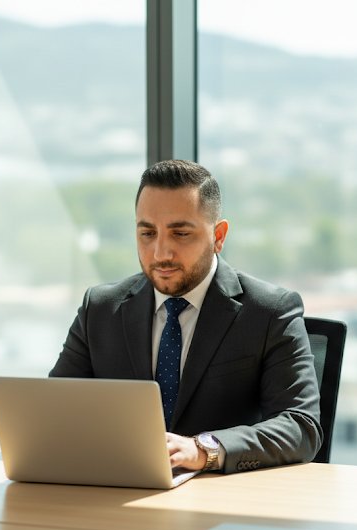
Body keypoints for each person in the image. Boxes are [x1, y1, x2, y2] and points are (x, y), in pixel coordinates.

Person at [50, 160, 321, 474]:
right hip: (120, 488)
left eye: (180, 233)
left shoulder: (270, 312)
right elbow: (53, 412)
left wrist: (204, 449)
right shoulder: (100, 309)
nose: (160, 253)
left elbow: (300, 427)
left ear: (218, 236)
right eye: (147, 233)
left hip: (221, 494)